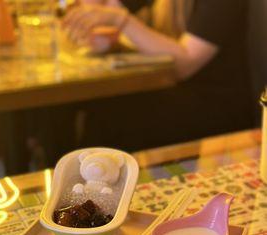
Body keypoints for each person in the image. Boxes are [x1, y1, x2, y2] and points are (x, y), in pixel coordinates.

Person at [63, 0, 254, 151]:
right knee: (77, 106)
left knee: (109, 113)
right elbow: (104, 7)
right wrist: (105, 32)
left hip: (216, 104)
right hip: (172, 88)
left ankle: (94, 193)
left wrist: (121, 21)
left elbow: (185, 64)